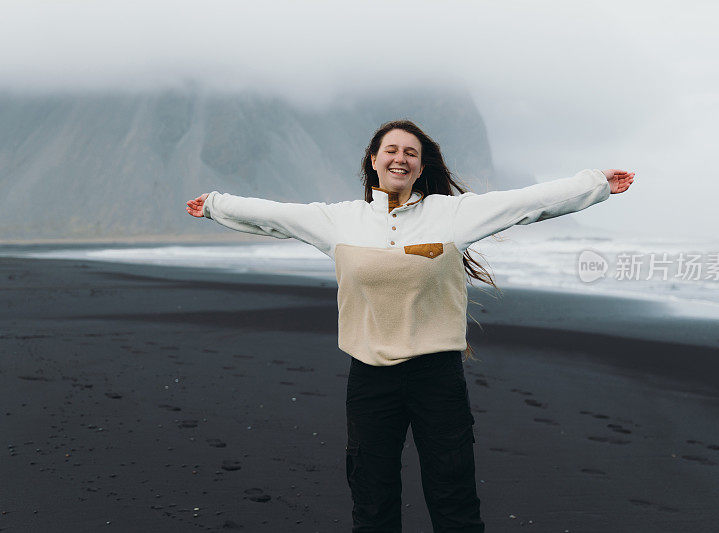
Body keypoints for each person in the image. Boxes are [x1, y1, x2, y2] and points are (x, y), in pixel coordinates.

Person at [186, 119, 635, 532]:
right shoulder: (339, 221)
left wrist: (595, 183)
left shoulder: (451, 215)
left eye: (411, 153)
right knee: (371, 494)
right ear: (373, 160)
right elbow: (274, 216)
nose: (400, 158)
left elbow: (528, 203)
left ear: (421, 167)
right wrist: (215, 205)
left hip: (435, 376)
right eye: (391, 150)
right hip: (370, 377)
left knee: (453, 493)